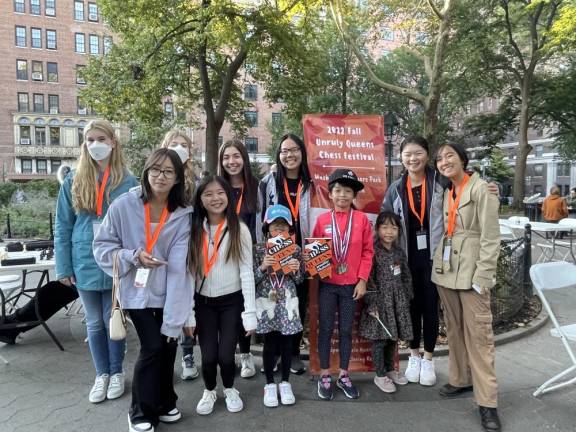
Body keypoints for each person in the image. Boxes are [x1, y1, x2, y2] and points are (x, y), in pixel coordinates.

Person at [93, 148, 193, 432]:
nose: (161, 176)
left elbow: (178, 265)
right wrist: (132, 257)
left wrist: (177, 312)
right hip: (135, 293)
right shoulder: (123, 205)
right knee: (152, 347)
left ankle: (164, 401)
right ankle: (140, 410)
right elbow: (102, 248)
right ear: (146, 171)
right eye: (155, 169)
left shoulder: (184, 214)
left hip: (167, 291)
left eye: (168, 171)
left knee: (168, 343)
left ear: (177, 178)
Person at [55, 119, 138, 404]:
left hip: (117, 257)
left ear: (113, 142)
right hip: (85, 259)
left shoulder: (128, 181)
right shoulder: (74, 178)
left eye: (100, 138)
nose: (95, 145)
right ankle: (101, 374)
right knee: (93, 322)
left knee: (112, 317)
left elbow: (137, 223)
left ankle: (116, 373)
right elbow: (62, 225)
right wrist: (63, 266)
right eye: (89, 140)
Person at [431, 143, 501, 432]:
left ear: (463, 159)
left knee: (480, 337)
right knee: (455, 329)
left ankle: (488, 403)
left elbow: (490, 236)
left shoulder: (482, 188)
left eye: (450, 156)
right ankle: (461, 379)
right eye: (440, 158)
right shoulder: (448, 191)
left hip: (472, 271)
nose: (444, 161)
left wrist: (483, 276)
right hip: (447, 272)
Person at [186, 175, 256, 416]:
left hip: (231, 302)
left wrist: (250, 313)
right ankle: (209, 390)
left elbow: (247, 272)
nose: (215, 198)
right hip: (203, 303)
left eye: (220, 193)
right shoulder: (193, 229)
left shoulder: (240, 229)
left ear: (228, 196)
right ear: (200, 199)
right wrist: (188, 314)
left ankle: (229, 388)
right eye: (208, 194)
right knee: (208, 357)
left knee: (226, 356)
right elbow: (188, 274)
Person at [381, 135, 445, 386]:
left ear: (427, 155)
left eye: (418, 153)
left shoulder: (440, 182)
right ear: (401, 157)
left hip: (434, 257)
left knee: (430, 308)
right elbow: (385, 222)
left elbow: (464, 190)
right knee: (409, 309)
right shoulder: (396, 188)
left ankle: (429, 358)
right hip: (406, 259)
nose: (413, 158)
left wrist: (488, 187)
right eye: (408, 154)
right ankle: (414, 355)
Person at [311, 169, 374, 400]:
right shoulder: (322, 220)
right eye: (338, 190)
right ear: (330, 194)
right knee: (326, 329)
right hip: (328, 285)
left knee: (347, 330)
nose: (343, 195)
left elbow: (368, 252)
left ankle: (344, 375)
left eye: (348, 191)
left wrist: (363, 279)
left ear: (353, 195)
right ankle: (325, 374)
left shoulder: (362, 221)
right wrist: (314, 266)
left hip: (351, 287)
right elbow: (314, 251)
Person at [257, 133, 312, 374]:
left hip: (302, 252)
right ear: (278, 156)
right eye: (284, 151)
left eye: (294, 150)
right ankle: (274, 353)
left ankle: (294, 352)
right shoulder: (267, 182)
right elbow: (260, 215)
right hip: (275, 251)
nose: (289, 155)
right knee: (273, 300)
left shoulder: (312, 183)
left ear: (302, 152)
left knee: (296, 302)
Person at [253, 204, 304, 407]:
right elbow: (251, 280)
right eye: (275, 227)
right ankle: (269, 385)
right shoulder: (258, 250)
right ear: (267, 229)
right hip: (267, 304)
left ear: (290, 231)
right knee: (269, 344)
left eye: (284, 228)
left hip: (287, 304)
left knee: (287, 344)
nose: (279, 232)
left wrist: (294, 271)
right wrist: (264, 266)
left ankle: (285, 383)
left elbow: (300, 280)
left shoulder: (296, 250)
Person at [218, 139, 259, 379]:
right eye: (226, 158)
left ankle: (245, 355)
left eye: (236, 156)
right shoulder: (217, 187)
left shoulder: (256, 186)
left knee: (244, 305)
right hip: (221, 256)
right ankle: (227, 353)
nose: (231, 162)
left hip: (247, 257)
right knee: (225, 306)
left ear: (244, 159)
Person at [359, 211, 413, 394]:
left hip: (397, 302)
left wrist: (407, 295)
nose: (389, 231)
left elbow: (405, 275)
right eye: (384, 227)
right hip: (380, 303)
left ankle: (390, 370)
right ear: (377, 229)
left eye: (393, 227)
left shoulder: (399, 251)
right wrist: (372, 303)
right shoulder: (373, 251)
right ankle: (380, 375)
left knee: (393, 339)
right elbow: (368, 279)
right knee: (381, 340)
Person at [160, 129, 198, 381]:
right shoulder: (158, 178)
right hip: (161, 252)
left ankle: (188, 354)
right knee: (166, 305)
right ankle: (164, 357)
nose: (179, 148)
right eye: (174, 144)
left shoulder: (194, 181)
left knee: (187, 305)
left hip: (189, 250)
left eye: (183, 145)